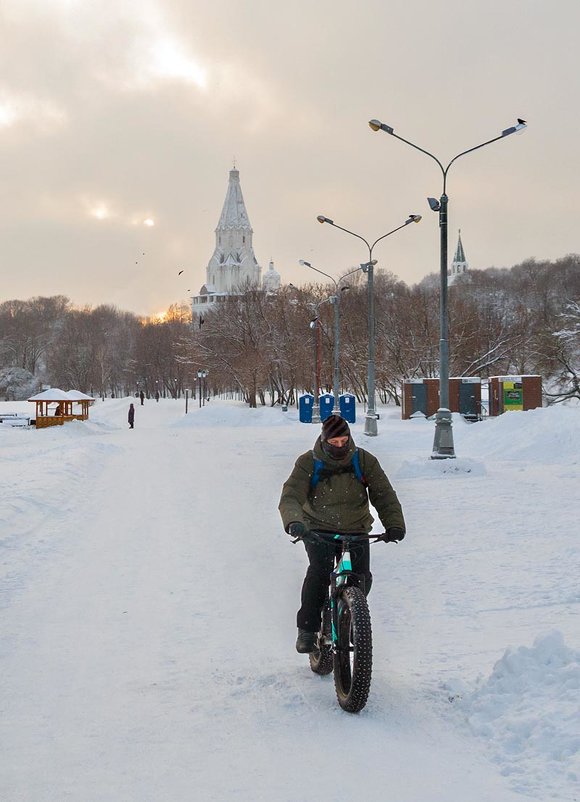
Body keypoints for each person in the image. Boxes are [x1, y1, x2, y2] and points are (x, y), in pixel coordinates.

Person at [278, 413, 406, 654]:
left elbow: (384, 494)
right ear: (324, 441)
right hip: (318, 529)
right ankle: (308, 629)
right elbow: (291, 496)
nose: (339, 446)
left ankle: (350, 615)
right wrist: (295, 522)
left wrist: (394, 524)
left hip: (355, 528)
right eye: (334, 442)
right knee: (319, 572)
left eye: (343, 441)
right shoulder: (309, 462)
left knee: (362, 577)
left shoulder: (364, 460)